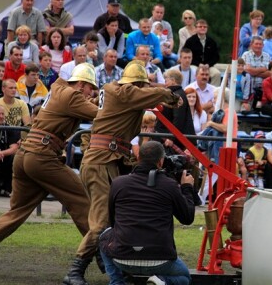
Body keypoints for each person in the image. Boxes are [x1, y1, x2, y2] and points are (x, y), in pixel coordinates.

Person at [0, 64, 101, 284]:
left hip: (27, 155)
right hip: (42, 156)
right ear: (81, 84)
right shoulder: (72, 96)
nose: (91, 92)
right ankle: (99, 255)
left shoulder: (60, 90)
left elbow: (85, 106)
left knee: (17, 211)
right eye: (90, 87)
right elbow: (102, 115)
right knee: (83, 201)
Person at [78, 61, 181, 283]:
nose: (142, 90)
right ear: (135, 84)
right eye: (141, 86)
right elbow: (154, 94)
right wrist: (170, 95)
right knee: (102, 221)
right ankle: (76, 269)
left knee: (115, 219)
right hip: (101, 161)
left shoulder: (114, 93)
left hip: (107, 160)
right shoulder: (123, 92)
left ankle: (112, 264)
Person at [98, 141, 194, 285]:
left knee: (103, 236)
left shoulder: (118, 183)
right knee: (184, 278)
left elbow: (113, 222)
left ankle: (116, 282)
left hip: (121, 257)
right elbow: (187, 218)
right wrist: (186, 187)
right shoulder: (169, 185)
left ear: (138, 158)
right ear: (161, 161)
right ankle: (161, 281)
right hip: (161, 259)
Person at [155, 69, 195, 149]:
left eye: (166, 81)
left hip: (172, 141)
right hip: (168, 137)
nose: (165, 84)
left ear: (173, 80)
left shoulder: (177, 95)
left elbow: (178, 119)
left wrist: (171, 138)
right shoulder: (177, 93)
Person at [183, 19, 221, 86]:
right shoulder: (190, 41)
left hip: (208, 66)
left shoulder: (212, 41)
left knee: (216, 74)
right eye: (200, 26)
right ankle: (193, 91)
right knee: (193, 72)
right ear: (196, 28)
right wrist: (198, 64)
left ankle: (213, 93)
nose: (202, 28)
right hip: (194, 65)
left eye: (204, 27)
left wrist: (208, 64)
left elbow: (216, 56)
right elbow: (186, 55)